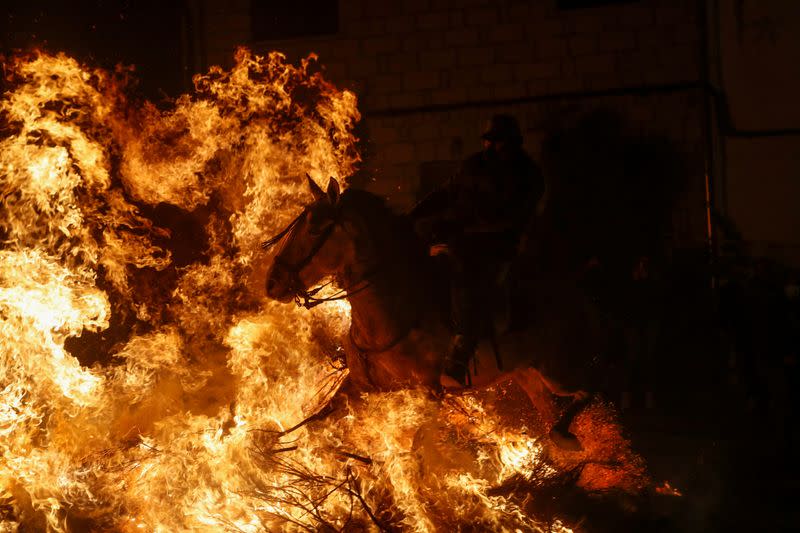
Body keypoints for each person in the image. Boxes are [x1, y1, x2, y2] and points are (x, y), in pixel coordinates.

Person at [411, 114, 544, 384]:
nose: (491, 147)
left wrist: (466, 229)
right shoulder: (474, 165)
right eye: (488, 141)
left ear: (512, 143)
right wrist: (414, 215)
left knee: (466, 272)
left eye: (498, 142)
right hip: (463, 237)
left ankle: (462, 347)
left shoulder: (527, 174)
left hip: (498, 245)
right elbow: (446, 192)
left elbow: (514, 218)